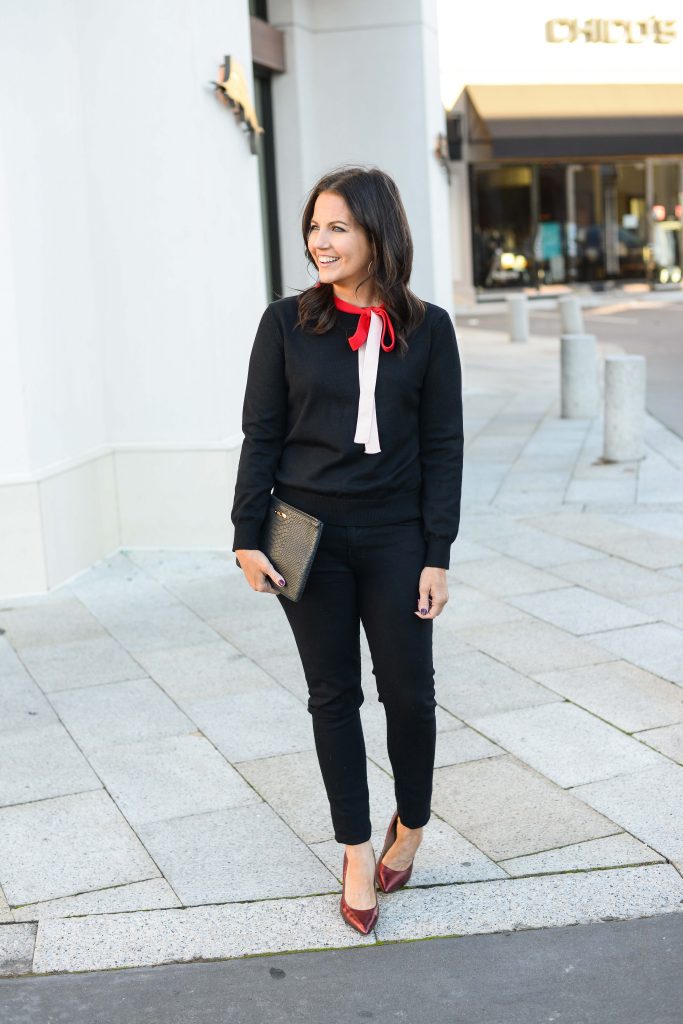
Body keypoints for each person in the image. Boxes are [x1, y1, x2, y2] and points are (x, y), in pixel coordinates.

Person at [231, 166, 463, 935]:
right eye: (313, 227)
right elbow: (261, 434)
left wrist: (438, 551)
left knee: (409, 694)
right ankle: (357, 850)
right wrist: (245, 533)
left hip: (397, 534)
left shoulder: (428, 328)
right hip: (303, 533)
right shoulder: (285, 323)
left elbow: (443, 445)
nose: (318, 242)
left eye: (337, 227)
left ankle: (414, 823)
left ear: (375, 234)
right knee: (331, 695)